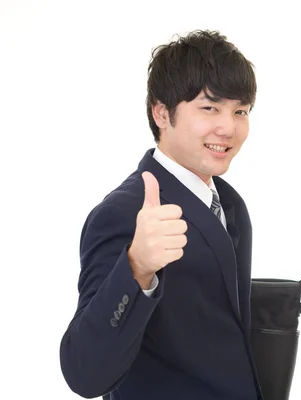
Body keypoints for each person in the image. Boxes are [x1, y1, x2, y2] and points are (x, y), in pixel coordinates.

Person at [59, 30, 263, 400]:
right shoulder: (123, 213)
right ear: (162, 113)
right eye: (209, 108)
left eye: (241, 111)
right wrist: (136, 267)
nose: (229, 127)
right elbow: (84, 373)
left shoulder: (230, 204)